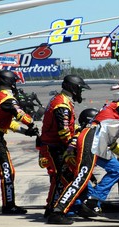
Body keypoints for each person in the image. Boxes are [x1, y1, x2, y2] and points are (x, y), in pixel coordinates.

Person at [47, 85, 119, 224]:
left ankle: (92, 200)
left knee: (117, 169)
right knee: (82, 178)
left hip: (99, 143)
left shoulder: (117, 115)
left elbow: (111, 144)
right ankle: (58, 211)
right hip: (92, 141)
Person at [39, 74, 91, 218]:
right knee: (60, 177)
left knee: (62, 177)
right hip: (53, 146)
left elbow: (66, 126)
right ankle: (54, 210)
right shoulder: (62, 105)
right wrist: (73, 145)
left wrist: (77, 130)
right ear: (74, 89)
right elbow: (63, 132)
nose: (81, 93)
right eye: (80, 89)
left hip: (53, 145)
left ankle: (56, 207)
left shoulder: (61, 100)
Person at [0, 70, 39, 214]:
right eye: (14, 81)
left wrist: (25, 132)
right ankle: (9, 205)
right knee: (8, 171)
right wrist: (31, 123)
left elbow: (8, 123)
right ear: (9, 82)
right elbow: (20, 115)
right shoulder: (7, 99)